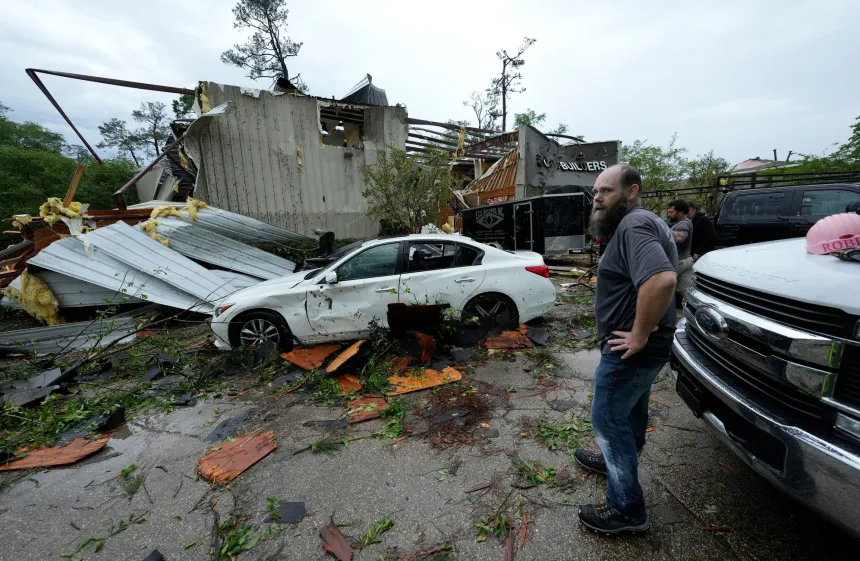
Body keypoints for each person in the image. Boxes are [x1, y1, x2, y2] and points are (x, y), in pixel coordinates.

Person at [574, 164, 677, 534]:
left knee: (606, 418)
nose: (597, 198)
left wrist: (638, 334)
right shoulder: (649, 222)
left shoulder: (634, 225)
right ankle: (614, 460)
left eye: (606, 191)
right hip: (650, 345)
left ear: (631, 191)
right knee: (631, 411)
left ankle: (627, 511)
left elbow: (663, 279)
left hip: (632, 349)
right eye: (596, 192)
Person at [667, 200, 694, 307]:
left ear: (681, 212)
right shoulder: (683, 223)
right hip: (686, 260)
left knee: (662, 288)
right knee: (685, 292)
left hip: (679, 261)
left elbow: (680, 237)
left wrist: (662, 227)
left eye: (671, 212)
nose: (669, 214)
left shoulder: (684, 224)